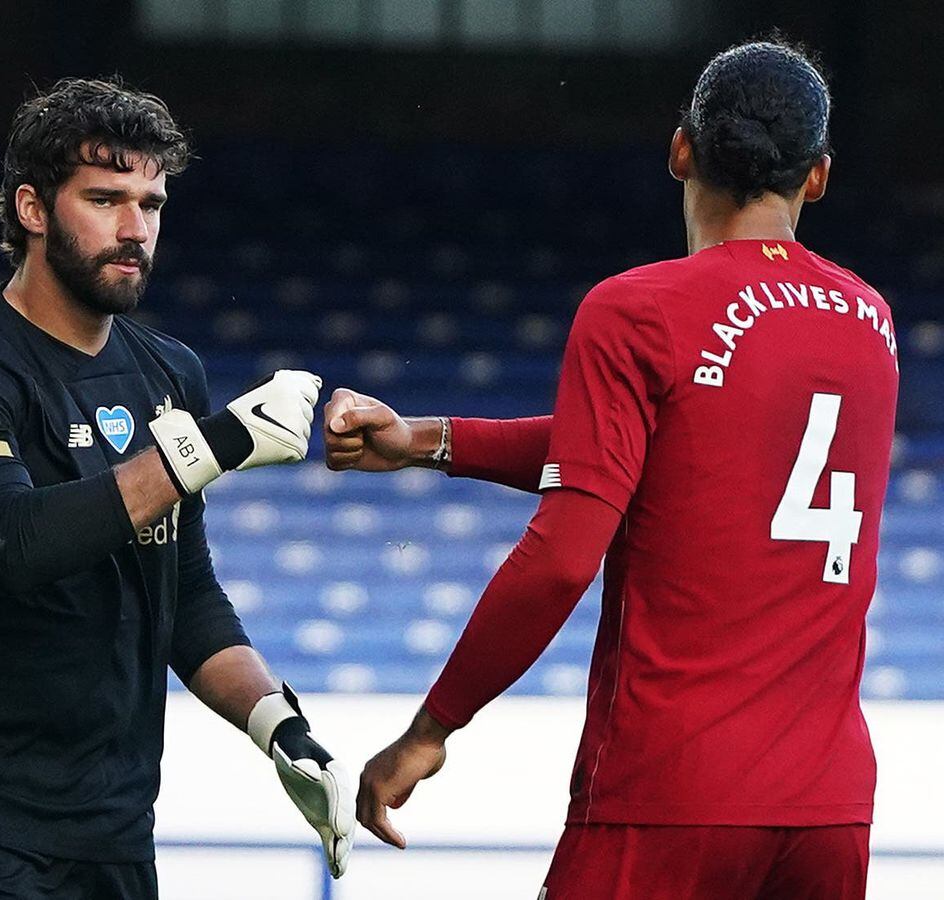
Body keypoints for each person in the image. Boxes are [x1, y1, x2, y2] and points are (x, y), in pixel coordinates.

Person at [325, 41, 896, 899]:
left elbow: (561, 557)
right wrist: (430, 440)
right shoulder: (871, 320)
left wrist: (430, 730)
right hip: (830, 811)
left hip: (668, 794)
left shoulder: (638, 309)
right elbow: (677, 442)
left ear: (680, 151)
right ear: (817, 176)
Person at [0, 77, 354, 899]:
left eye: (152, 204)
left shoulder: (169, 372)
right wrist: (217, 444)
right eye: (105, 199)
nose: (136, 230)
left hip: (113, 822)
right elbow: (12, 542)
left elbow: (183, 592)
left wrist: (280, 728)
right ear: (31, 208)